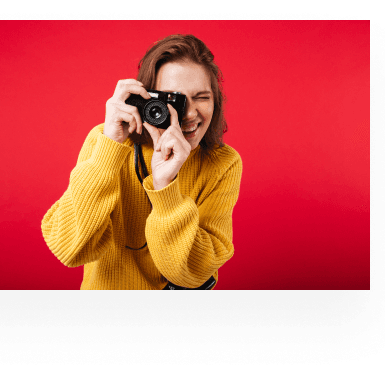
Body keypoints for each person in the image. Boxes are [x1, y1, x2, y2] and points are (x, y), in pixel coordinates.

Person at [41, 34, 243, 290]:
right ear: (150, 98)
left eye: (202, 97)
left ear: (216, 100)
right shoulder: (106, 142)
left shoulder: (223, 163)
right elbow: (69, 248)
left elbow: (194, 273)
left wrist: (165, 187)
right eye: (175, 100)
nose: (191, 114)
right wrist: (110, 148)